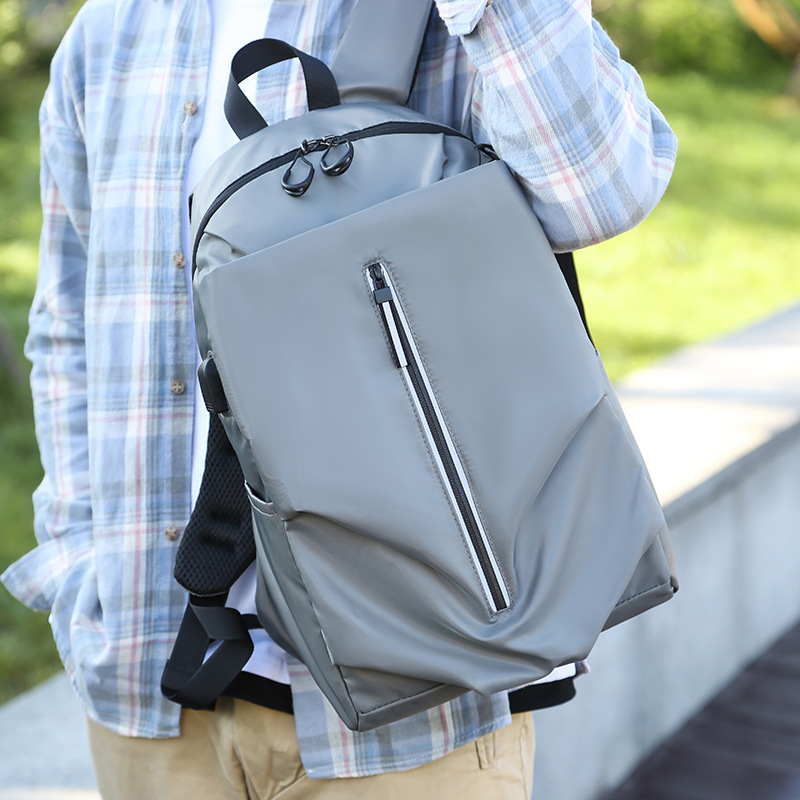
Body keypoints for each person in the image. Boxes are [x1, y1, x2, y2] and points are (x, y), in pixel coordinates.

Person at [1, 0, 677, 797]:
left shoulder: (452, 16)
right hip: (146, 698)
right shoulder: (112, 31)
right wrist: (79, 561)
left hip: (416, 721)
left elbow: (599, 195)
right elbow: (69, 324)